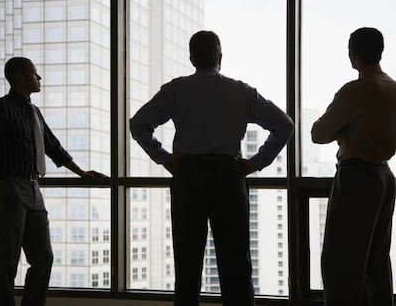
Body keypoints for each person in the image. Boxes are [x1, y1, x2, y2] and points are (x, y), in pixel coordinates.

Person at [130, 30, 294, 306]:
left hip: (189, 176)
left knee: (188, 263)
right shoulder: (240, 91)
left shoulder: (176, 90)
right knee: (236, 266)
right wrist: (255, 163)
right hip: (228, 176)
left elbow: (138, 124)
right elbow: (284, 125)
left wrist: (165, 158)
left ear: (192, 58)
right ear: (220, 57)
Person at [0, 57, 107, 306]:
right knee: (8, 259)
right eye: (34, 74)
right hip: (10, 185)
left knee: (43, 257)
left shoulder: (34, 112)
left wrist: (82, 173)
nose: (39, 78)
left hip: (34, 188)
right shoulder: (0, 108)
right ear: (20, 78)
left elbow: (52, 146)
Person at [312, 27, 396, 306]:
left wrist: (344, 130)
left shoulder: (356, 90)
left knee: (340, 262)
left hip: (357, 176)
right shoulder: (392, 88)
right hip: (385, 176)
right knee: (377, 260)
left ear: (353, 55)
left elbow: (319, 133)